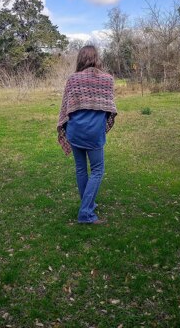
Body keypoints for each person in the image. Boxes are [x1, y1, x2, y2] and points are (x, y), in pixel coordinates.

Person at [57, 45, 117, 225]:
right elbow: (109, 109)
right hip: (94, 133)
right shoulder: (107, 79)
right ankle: (85, 213)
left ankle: (87, 203)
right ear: (97, 58)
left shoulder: (73, 79)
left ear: (80, 59)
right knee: (97, 170)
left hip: (75, 132)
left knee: (81, 169)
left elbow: (67, 109)